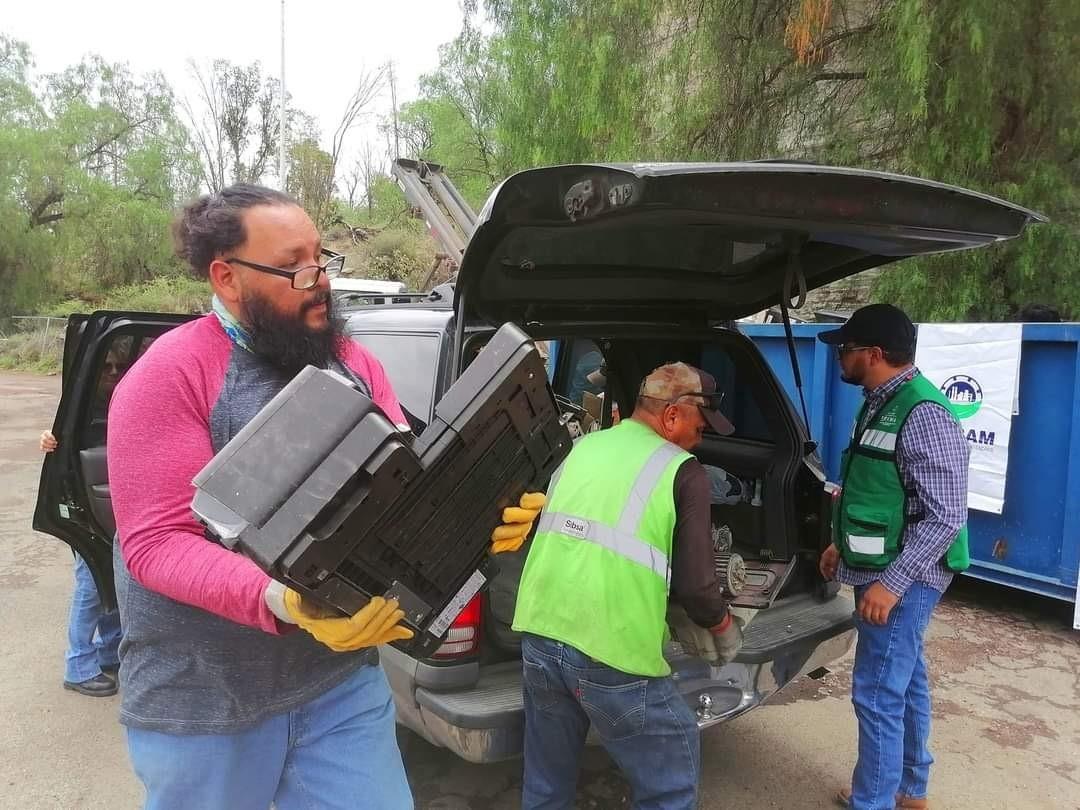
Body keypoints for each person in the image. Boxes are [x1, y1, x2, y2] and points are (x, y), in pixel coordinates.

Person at [106, 184, 543, 810]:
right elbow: (157, 544)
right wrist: (282, 598)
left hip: (338, 687)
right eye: (293, 267)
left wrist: (483, 513)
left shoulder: (357, 364)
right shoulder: (169, 375)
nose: (320, 281)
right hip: (208, 702)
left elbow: (402, 499)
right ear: (226, 278)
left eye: (321, 257)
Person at [512, 361, 743, 810]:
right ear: (672, 416)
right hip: (611, 649)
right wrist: (722, 627)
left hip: (540, 631)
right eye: (700, 424)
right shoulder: (684, 469)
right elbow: (697, 587)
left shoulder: (584, 446)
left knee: (545, 782)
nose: (702, 436)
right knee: (670, 785)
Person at [817, 304, 969, 810]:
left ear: (875, 354)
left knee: (878, 691)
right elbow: (876, 486)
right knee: (904, 681)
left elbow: (944, 517)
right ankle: (908, 789)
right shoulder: (879, 400)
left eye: (848, 348)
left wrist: (891, 584)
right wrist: (841, 542)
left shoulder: (923, 413)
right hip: (884, 564)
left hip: (907, 574)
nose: (841, 355)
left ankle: (873, 800)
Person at [40, 347, 129, 696]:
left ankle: (110, 652)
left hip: (112, 510)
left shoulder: (120, 402)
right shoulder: (80, 408)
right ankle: (78, 666)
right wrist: (48, 439)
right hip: (85, 513)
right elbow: (53, 439)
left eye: (117, 366)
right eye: (105, 366)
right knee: (91, 589)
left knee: (110, 585)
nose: (112, 372)